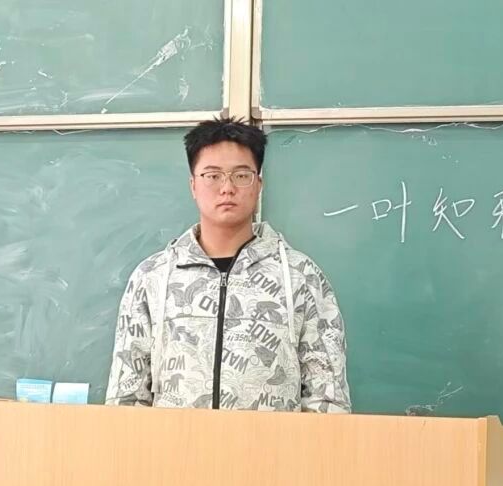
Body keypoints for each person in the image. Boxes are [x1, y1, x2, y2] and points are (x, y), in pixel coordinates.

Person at [104, 118, 350, 412]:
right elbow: (126, 398)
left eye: (241, 175)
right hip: (174, 443)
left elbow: (328, 400)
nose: (227, 188)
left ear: (259, 185)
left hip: (271, 444)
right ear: (193, 185)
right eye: (213, 176)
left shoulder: (301, 276)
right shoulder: (152, 277)